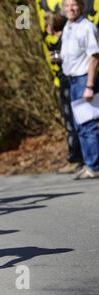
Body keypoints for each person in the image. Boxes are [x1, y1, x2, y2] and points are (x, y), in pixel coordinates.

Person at [60, 0, 99, 179]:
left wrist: (89, 86)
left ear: (81, 7)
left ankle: (94, 167)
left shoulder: (87, 27)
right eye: (67, 6)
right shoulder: (68, 26)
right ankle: (88, 164)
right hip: (71, 80)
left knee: (88, 126)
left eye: (74, 5)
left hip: (84, 80)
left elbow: (94, 58)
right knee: (79, 127)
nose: (70, 9)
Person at [45, 12, 84, 174]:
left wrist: (56, 57)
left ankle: (76, 159)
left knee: (72, 121)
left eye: (47, 25)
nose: (46, 28)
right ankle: (79, 157)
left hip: (68, 82)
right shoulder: (63, 39)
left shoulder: (62, 42)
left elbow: (63, 59)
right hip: (68, 81)